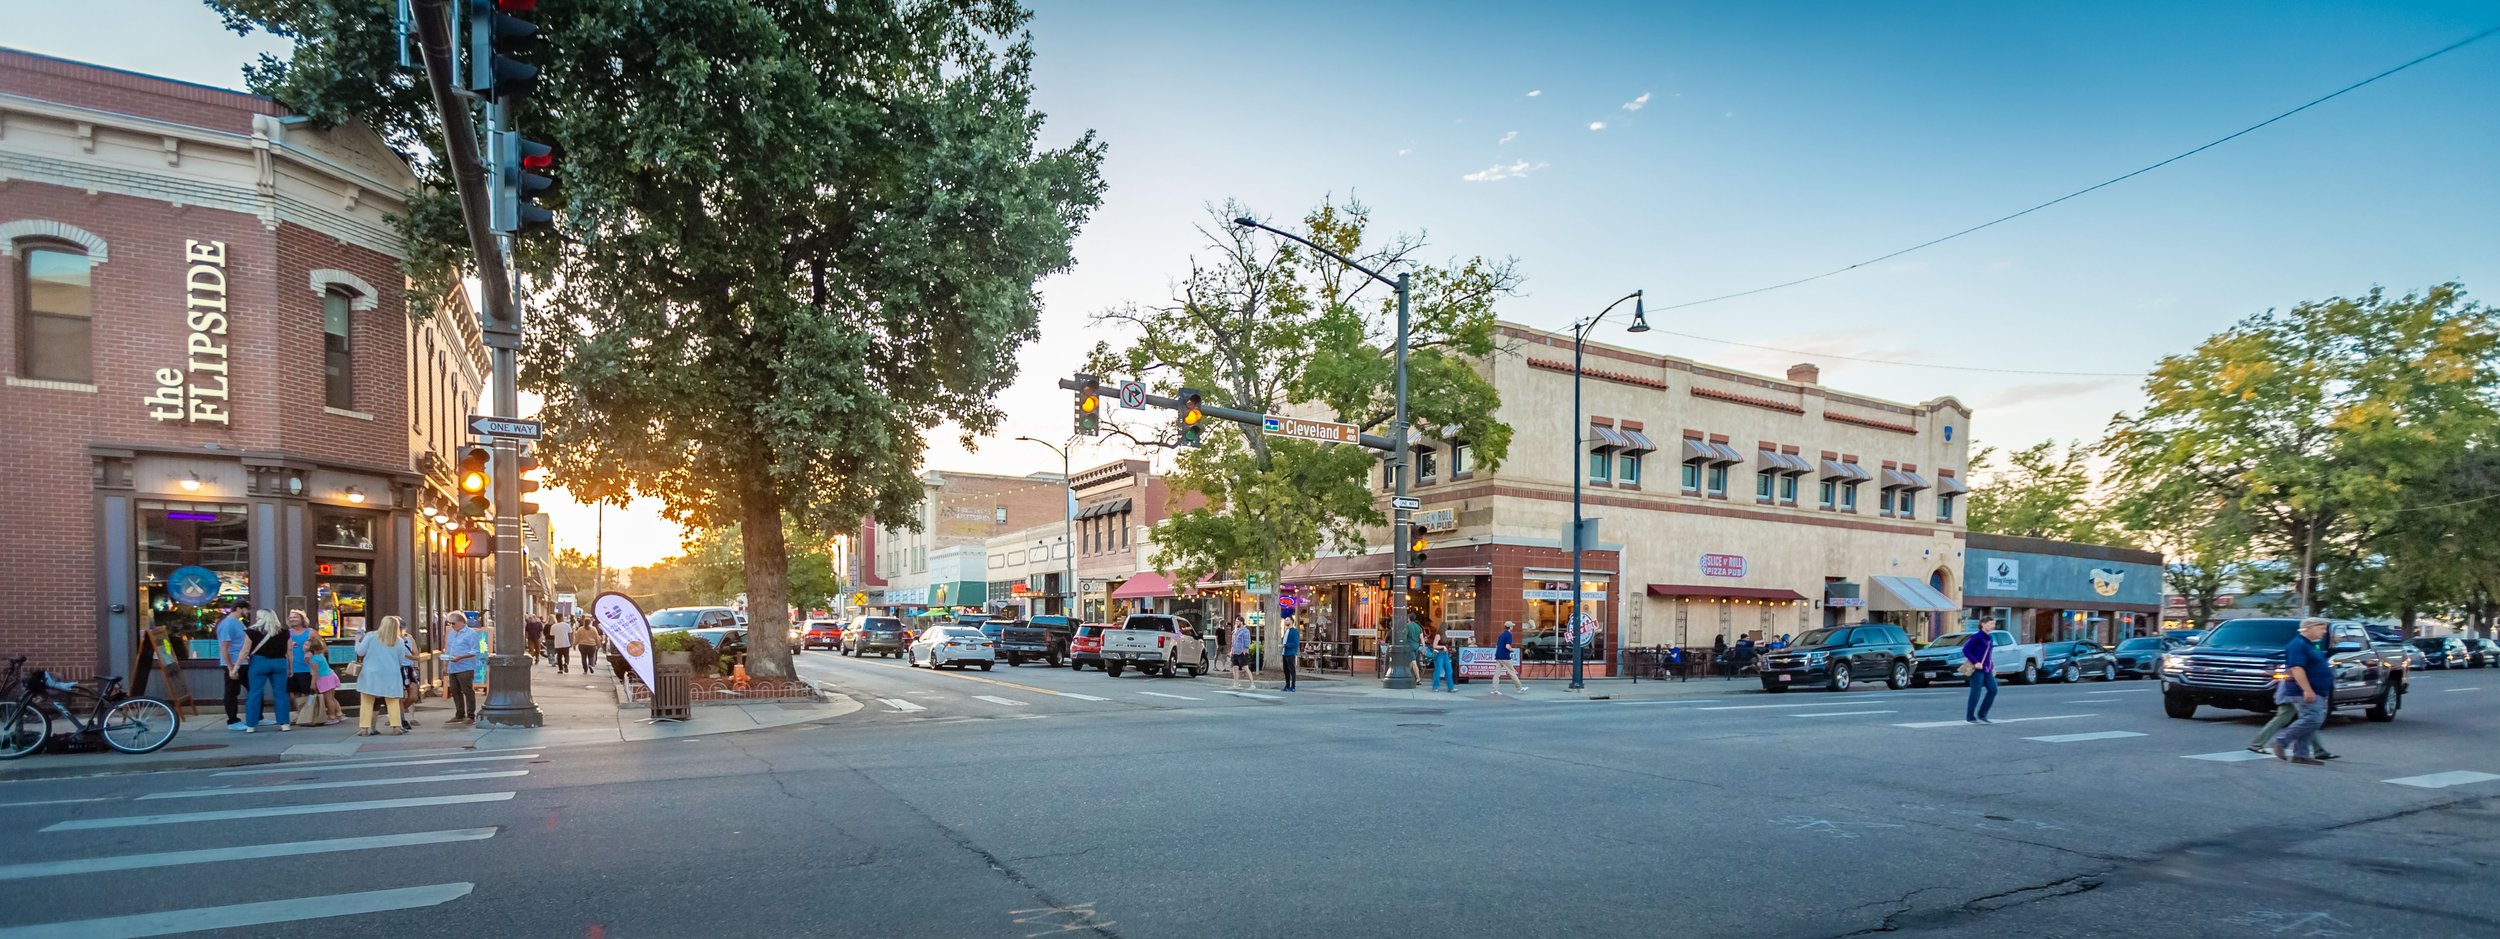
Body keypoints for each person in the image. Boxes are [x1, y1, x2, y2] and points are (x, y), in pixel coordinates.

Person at [2269, 618, 2334, 765]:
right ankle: (2281, 741)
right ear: (2309, 628)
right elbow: (2297, 668)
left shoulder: (2310, 645)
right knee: (2313, 719)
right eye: (2321, 628)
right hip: (2304, 690)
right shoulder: (2298, 645)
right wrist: (2307, 690)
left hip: (2318, 690)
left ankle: (2301, 755)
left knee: (2312, 721)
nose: (2324, 632)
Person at [355, 616, 410, 736]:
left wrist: (357, 641)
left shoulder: (371, 636)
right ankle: (396, 726)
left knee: (367, 701)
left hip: (371, 673)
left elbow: (360, 652)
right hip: (391, 673)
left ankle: (364, 728)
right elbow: (401, 659)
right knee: (392, 701)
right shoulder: (399, 641)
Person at [240, 609, 293, 732]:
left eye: (258, 617)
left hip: (259, 663)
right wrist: (291, 668)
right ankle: (284, 724)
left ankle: (251, 725)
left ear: (262, 619)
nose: (256, 619)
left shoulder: (251, 632)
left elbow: (245, 651)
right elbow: (289, 651)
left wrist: (236, 665)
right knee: (281, 693)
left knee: (254, 693)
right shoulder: (285, 632)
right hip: (279, 663)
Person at [443, 612, 486, 724]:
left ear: (461, 622)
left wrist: (461, 657)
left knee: (467, 690)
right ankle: (459, 714)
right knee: (455, 690)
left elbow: (475, 651)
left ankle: (470, 715)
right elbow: (448, 650)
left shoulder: (471, 633)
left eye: (453, 623)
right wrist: (445, 665)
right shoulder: (451, 634)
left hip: (465, 666)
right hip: (453, 666)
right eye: (450, 623)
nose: (452, 625)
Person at [216, 600, 252, 730]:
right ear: (239, 608)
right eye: (246, 609)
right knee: (232, 692)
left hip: (243, 661)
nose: (247, 612)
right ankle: (232, 721)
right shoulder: (228, 624)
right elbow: (224, 648)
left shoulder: (238, 622)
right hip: (234, 663)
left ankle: (257, 717)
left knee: (253, 688)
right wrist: (231, 667)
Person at [300, 627, 344, 726]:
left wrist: (313, 684)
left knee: (328, 699)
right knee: (332, 698)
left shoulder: (313, 659)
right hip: (330, 675)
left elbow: (315, 673)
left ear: (312, 648)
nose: (303, 645)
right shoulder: (320, 656)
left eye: (306, 644)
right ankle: (339, 713)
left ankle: (332, 716)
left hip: (325, 679)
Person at [284, 611, 317, 724]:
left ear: (302, 618)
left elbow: (322, 648)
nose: (293, 619)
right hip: (292, 668)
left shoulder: (310, 632)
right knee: (294, 693)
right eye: (291, 617)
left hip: (306, 668)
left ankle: (307, 714)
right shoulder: (287, 633)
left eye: (295, 617)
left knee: (306, 693)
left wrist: (312, 653)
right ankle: (300, 714)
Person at [1961, 627, 1998, 724]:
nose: (1993, 625)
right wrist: (1975, 662)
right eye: (1990, 623)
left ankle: (1982, 714)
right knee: (1976, 692)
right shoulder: (1976, 637)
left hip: (1987, 668)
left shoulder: (1990, 638)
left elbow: (1988, 655)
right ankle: (1970, 717)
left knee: (1993, 690)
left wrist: (1992, 666)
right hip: (1977, 669)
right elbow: (1966, 650)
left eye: (1993, 623)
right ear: (1983, 624)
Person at [1227, 619, 1255, 690]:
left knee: (1245, 668)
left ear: (1241, 622)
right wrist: (1231, 651)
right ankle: (1236, 684)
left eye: (1237, 622)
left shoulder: (1245, 631)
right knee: (1235, 668)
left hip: (1241, 652)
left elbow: (1247, 641)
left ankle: (1252, 684)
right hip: (1235, 651)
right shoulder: (1235, 631)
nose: (1236, 623)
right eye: (1236, 622)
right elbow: (1233, 643)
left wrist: (1245, 649)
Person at [1280, 617, 1301, 692]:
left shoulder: (1294, 631)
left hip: (1291, 653)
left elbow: (1295, 643)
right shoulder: (1286, 631)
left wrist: (1285, 645)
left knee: (1292, 670)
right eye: (1285, 620)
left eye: (1287, 620)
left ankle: (1293, 686)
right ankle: (1287, 685)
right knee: (1286, 670)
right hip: (1284, 653)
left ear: (1292, 621)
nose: (1286, 622)